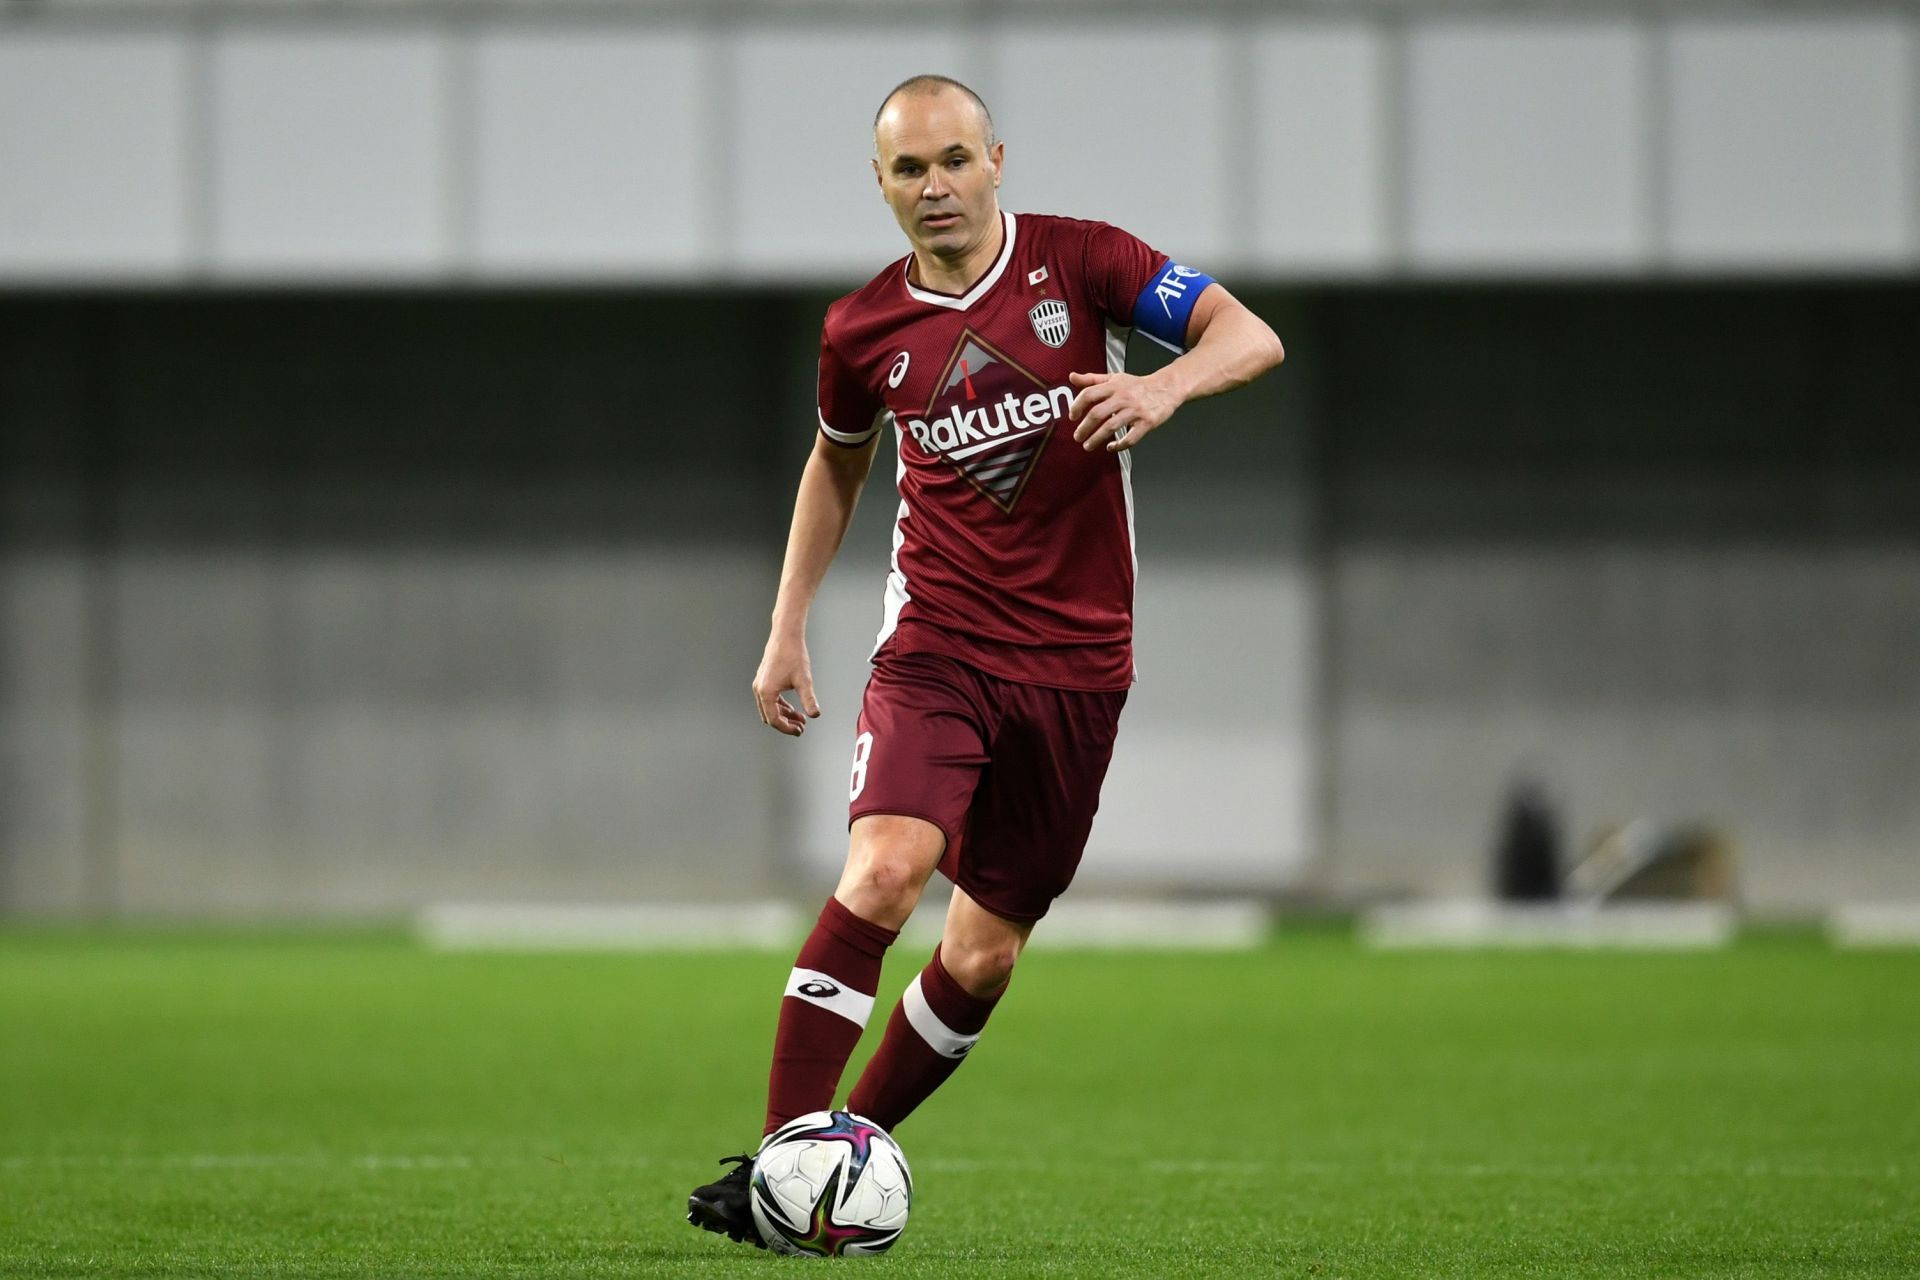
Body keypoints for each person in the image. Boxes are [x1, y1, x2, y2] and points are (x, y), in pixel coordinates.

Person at [687, 73, 1284, 1247]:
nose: (937, 186)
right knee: (883, 872)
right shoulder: (860, 330)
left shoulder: (1087, 263)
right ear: (882, 184)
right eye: (910, 169)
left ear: (997, 159)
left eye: (955, 159)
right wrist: (785, 622)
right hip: (938, 646)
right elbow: (837, 463)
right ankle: (784, 1167)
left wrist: (1163, 383)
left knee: (983, 950)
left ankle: (824, 1169)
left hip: (1076, 667)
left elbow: (1250, 334)